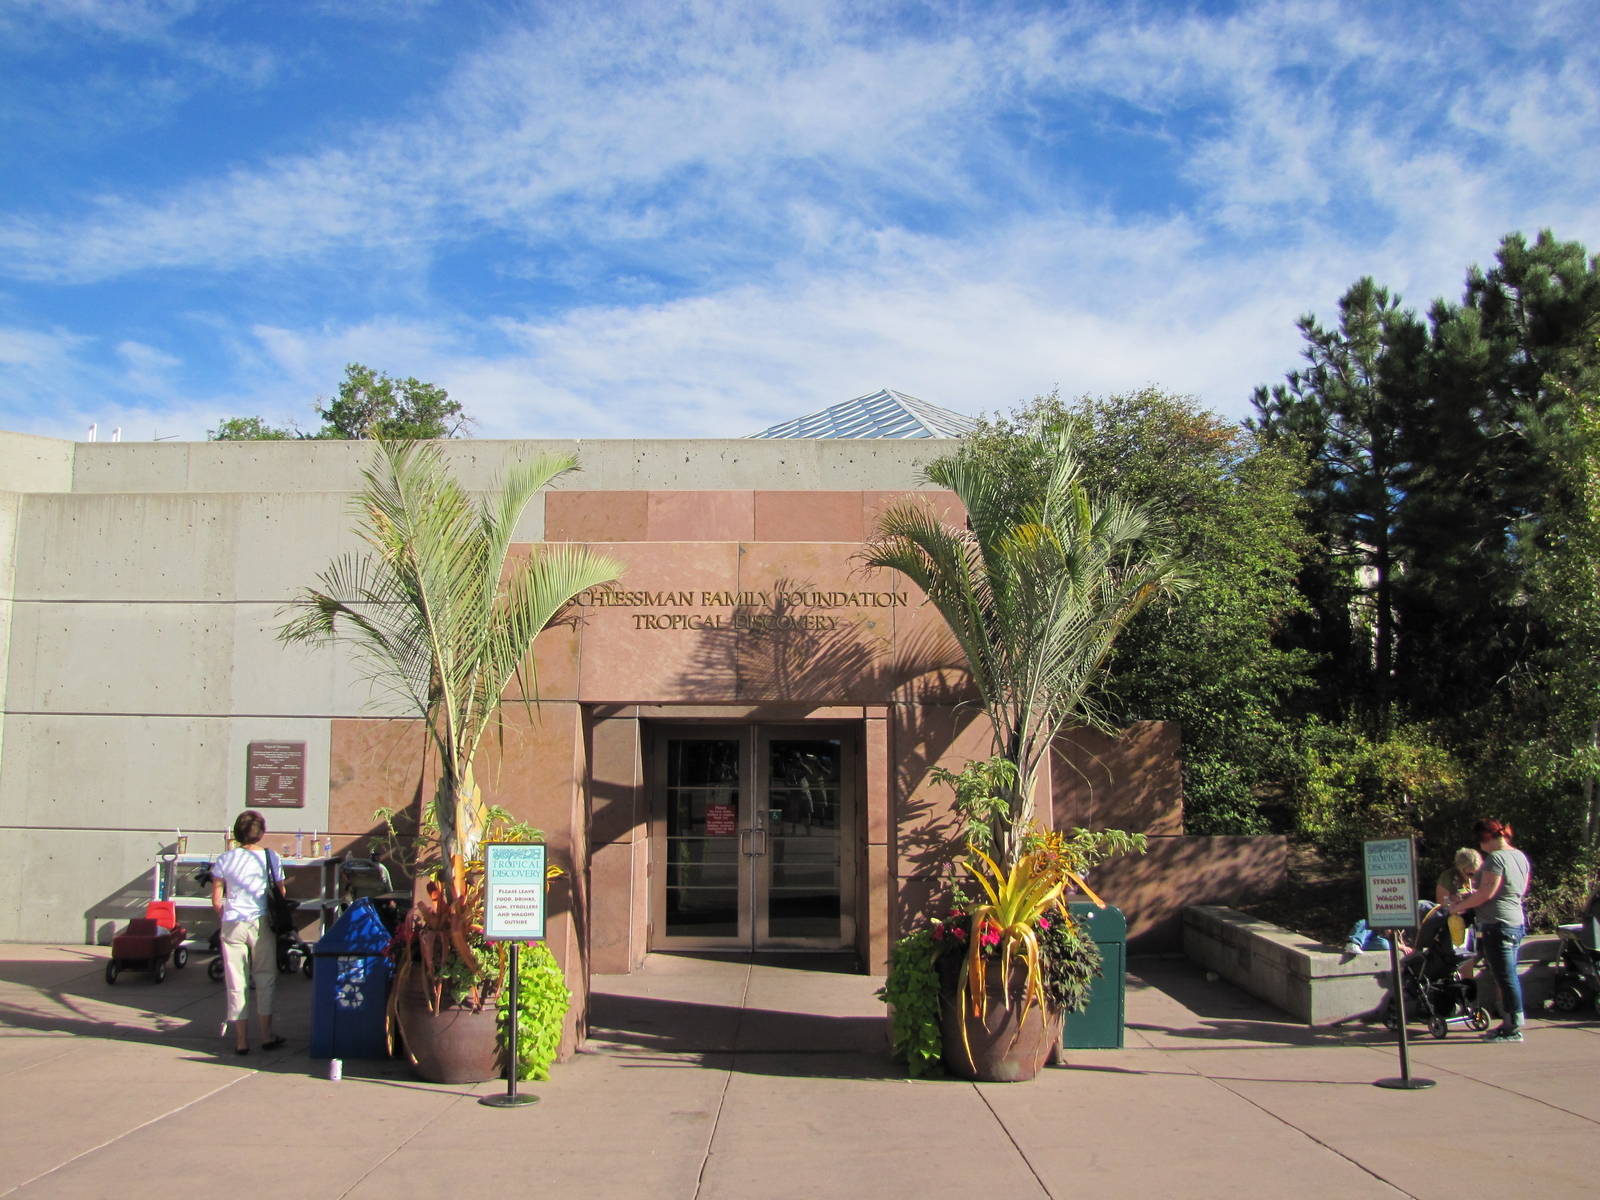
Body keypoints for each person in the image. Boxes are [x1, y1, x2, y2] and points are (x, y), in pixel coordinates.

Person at [1447, 818, 1531, 1043]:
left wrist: (1458, 906)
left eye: (1480, 841)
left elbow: (1487, 893)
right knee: (1507, 973)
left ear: (1486, 838)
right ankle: (1509, 1022)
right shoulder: (1519, 856)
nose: (1481, 847)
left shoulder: (1496, 858)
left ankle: (1513, 1026)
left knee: (1505, 976)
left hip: (1498, 924)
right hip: (1515, 921)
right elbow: (1515, 889)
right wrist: (1470, 897)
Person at [210, 809, 285, 1055]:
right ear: (261, 832)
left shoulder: (224, 859)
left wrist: (227, 914)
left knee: (236, 980)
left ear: (237, 832)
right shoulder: (270, 857)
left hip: (233, 922)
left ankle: (241, 1040)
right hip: (261, 921)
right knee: (265, 977)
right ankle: (266, 1035)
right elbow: (281, 892)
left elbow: (217, 899)